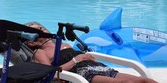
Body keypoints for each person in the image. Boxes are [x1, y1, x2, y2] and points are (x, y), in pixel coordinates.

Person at [25, 22, 158, 83]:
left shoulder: (63, 44)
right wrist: (76, 60)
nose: (42, 29)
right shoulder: (39, 52)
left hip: (97, 67)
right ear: (30, 42)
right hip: (82, 74)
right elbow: (51, 75)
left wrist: (85, 57)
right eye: (37, 30)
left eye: (41, 27)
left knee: (145, 80)